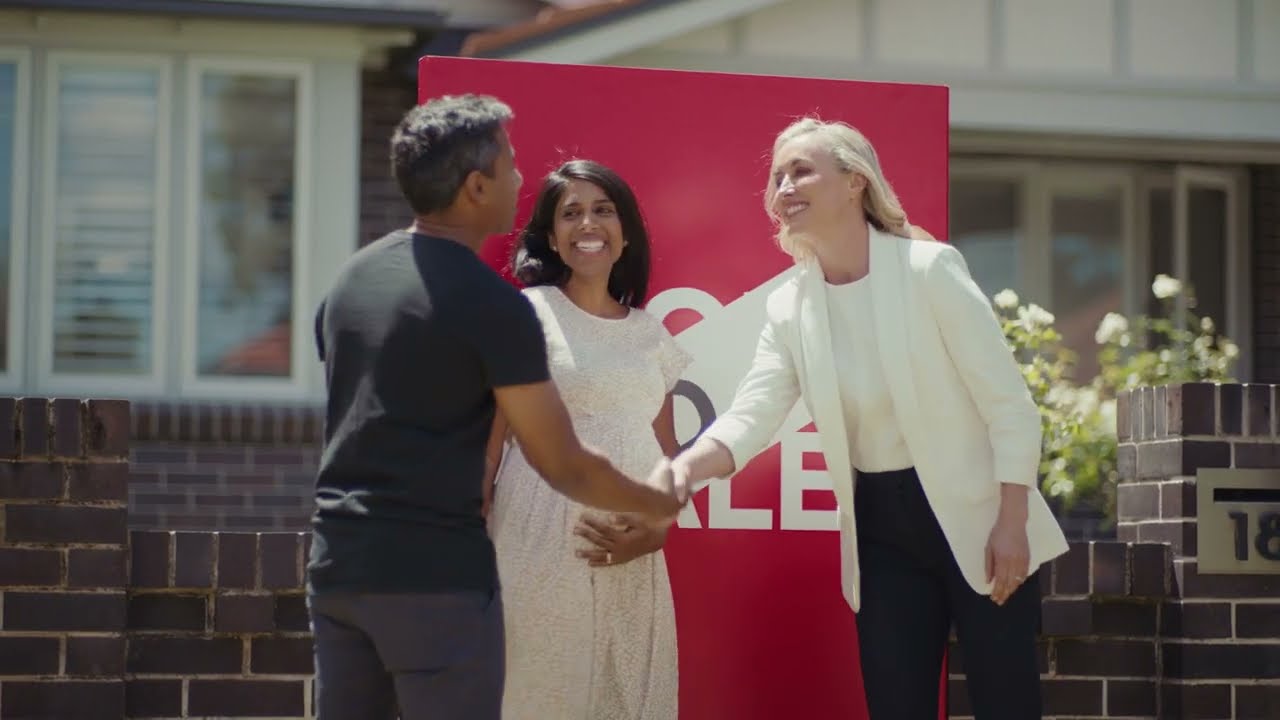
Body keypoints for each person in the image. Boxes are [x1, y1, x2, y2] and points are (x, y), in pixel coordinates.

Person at [669, 118, 1069, 719]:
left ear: (856, 181)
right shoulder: (788, 306)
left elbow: (1008, 404)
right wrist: (680, 473)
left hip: (982, 517)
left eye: (801, 170)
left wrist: (1012, 522)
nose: (784, 187)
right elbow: (752, 414)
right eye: (777, 177)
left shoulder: (929, 270)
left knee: (1005, 704)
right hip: (881, 534)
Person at [306, 96, 686, 720]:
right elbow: (559, 462)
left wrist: (656, 524)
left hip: (343, 562)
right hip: (464, 569)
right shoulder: (509, 310)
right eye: (510, 166)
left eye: (603, 210)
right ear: (477, 187)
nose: (518, 178)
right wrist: (653, 509)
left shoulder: (352, 280)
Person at [483, 160, 689, 720]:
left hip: (633, 554)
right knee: (540, 694)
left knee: (625, 698)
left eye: (603, 210)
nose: (588, 224)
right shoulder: (525, 314)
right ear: (552, 238)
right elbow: (489, 446)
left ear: (625, 233)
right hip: (540, 544)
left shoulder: (651, 334)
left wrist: (657, 530)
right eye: (570, 213)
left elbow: (671, 458)